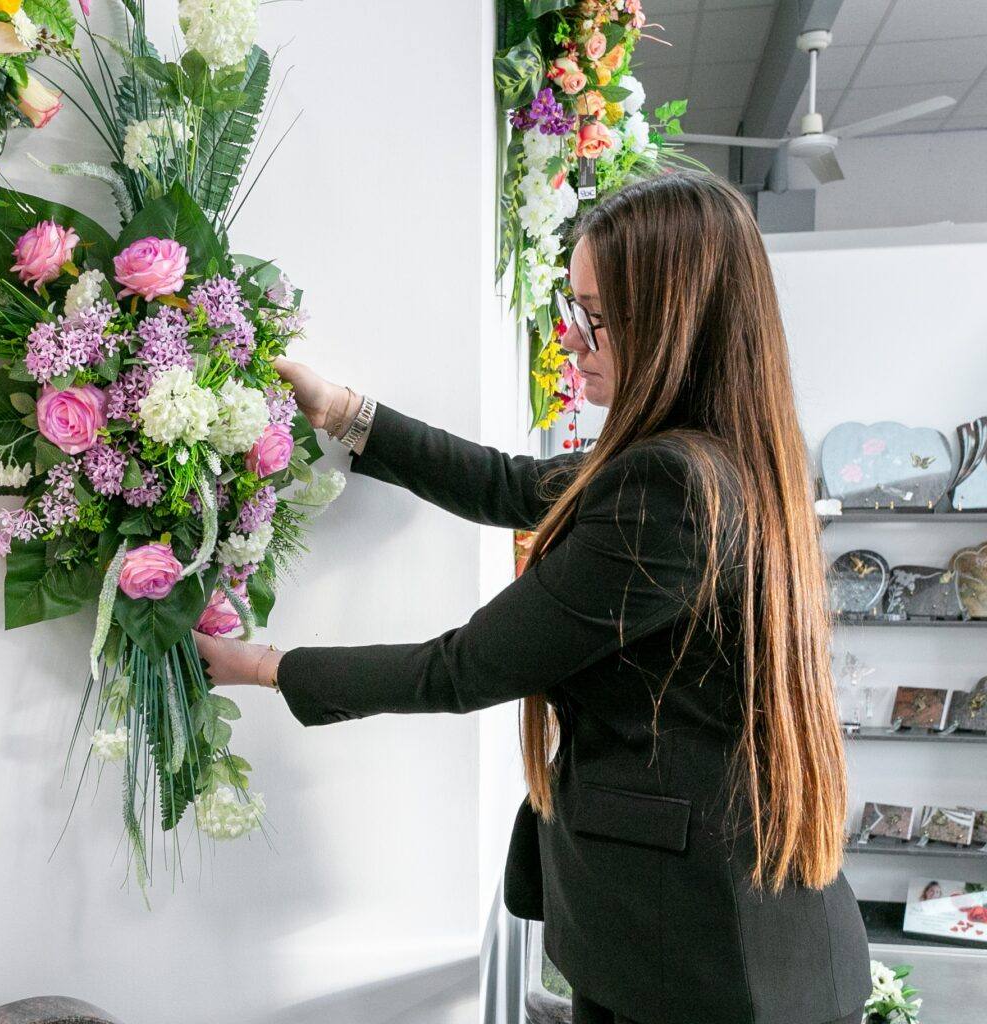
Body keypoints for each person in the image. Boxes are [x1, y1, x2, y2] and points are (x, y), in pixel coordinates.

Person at [197, 173, 870, 1024]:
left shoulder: (670, 486)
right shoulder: (720, 457)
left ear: (671, 321)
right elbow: (515, 485)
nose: (574, 336)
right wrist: (343, 411)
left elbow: (468, 666)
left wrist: (263, 666)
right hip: (728, 940)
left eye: (598, 315)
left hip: (703, 960)